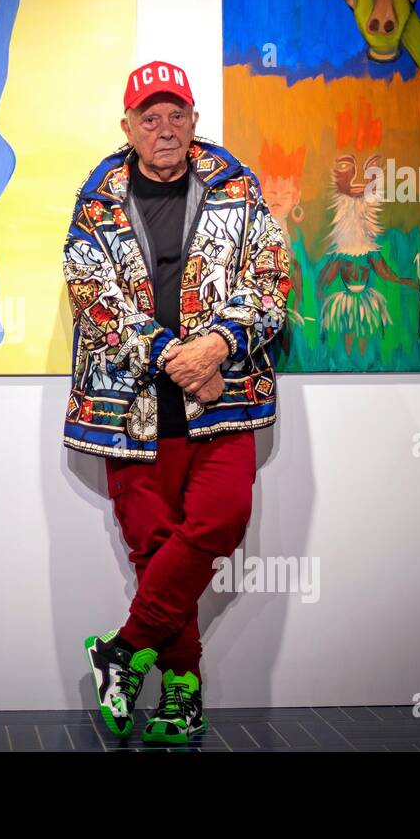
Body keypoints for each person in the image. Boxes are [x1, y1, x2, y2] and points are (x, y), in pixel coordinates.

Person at [62, 59, 292, 744]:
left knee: (221, 520)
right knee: (155, 547)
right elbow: (91, 295)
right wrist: (176, 358)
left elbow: (273, 280)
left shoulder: (239, 188)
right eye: (150, 118)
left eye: (177, 116)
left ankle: (124, 649)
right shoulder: (96, 199)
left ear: (195, 123)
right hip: (127, 409)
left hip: (226, 401)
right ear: (128, 127)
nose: (165, 129)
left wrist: (218, 346)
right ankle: (183, 696)